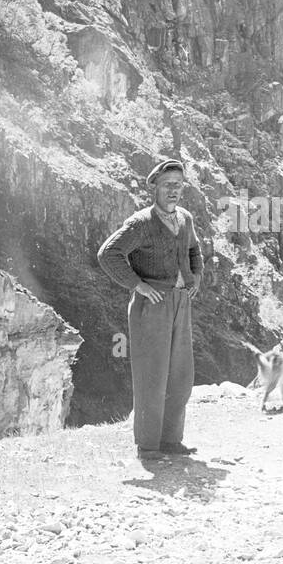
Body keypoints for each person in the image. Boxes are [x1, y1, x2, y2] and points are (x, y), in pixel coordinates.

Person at [97, 159, 203, 461]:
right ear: (154, 187)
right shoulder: (140, 223)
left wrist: (196, 278)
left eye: (179, 185)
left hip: (181, 302)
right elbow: (108, 254)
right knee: (152, 375)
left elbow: (195, 250)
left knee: (180, 375)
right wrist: (138, 285)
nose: (174, 191)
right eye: (168, 185)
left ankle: (172, 440)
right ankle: (148, 446)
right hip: (152, 306)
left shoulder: (185, 219)